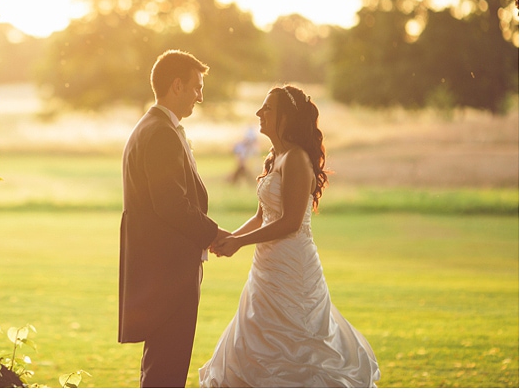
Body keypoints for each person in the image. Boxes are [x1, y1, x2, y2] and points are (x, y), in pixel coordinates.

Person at [200, 85, 381, 387]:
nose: (260, 113)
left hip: (292, 267)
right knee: (257, 335)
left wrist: (239, 243)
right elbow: (261, 216)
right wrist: (229, 238)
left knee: (298, 343)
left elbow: (291, 223)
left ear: (286, 117)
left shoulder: (296, 158)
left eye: (267, 108)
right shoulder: (276, 156)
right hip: (266, 267)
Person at [119, 50, 230, 387]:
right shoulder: (162, 133)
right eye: (196, 87)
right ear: (177, 86)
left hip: (161, 266)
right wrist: (213, 234)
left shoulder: (154, 126)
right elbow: (170, 203)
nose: (200, 95)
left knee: (162, 362)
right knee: (168, 364)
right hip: (169, 269)